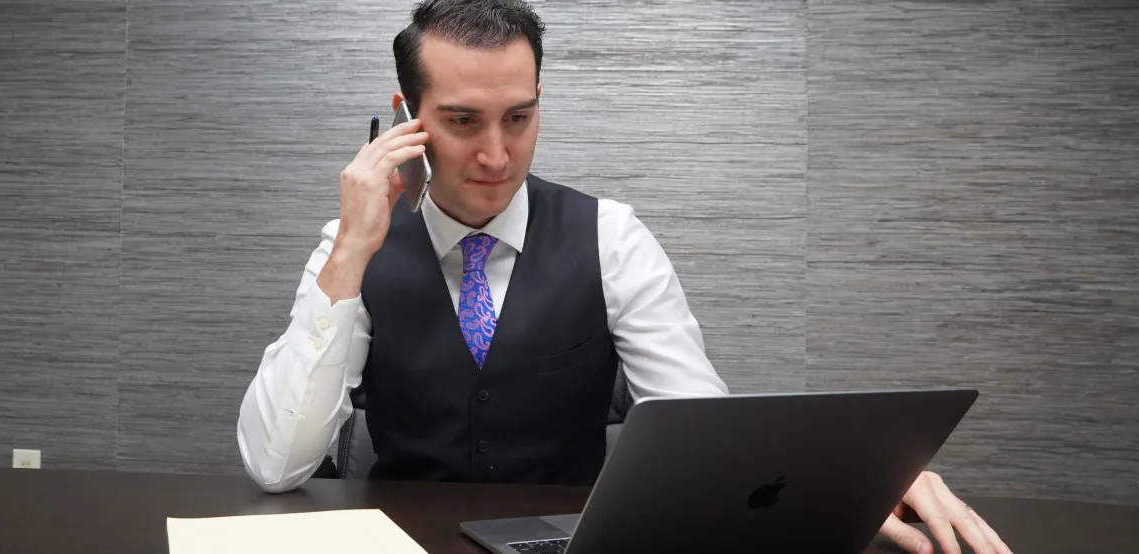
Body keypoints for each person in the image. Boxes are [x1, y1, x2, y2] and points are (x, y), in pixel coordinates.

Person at [237, 1, 1012, 553]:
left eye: (520, 117)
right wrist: (352, 253)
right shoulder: (352, 247)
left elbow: (704, 436)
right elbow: (275, 467)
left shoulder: (613, 237)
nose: (498, 155)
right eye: (463, 121)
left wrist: (864, 477)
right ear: (407, 116)